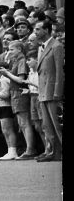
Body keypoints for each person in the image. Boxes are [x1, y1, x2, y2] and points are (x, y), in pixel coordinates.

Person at [34, 18, 63, 162]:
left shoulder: (56, 46)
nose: (35, 31)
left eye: (38, 29)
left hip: (52, 91)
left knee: (57, 124)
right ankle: (53, 151)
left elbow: (60, 71)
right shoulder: (42, 47)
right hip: (43, 91)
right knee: (47, 125)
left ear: (46, 30)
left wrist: (58, 91)